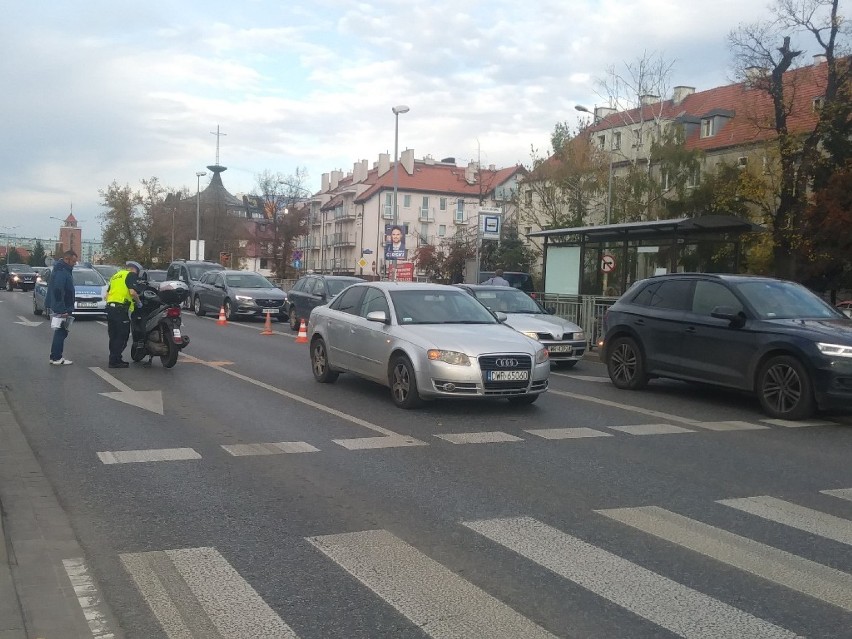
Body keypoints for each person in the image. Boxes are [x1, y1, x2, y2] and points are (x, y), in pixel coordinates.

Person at [105, 261, 142, 368]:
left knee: (113, 336)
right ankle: (115, 361)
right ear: (135, 270)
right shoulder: (130, 275)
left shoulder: (115, 276)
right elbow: (132, 292)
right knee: (122, 336)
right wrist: (138, 302)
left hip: (110, 309)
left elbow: (107, 295)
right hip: (120, 310)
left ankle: (114, 358)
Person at [47, 250, 78, 365]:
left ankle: (54, 356)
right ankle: (56, 358)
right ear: (66, 259)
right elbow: (58, 291)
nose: (75, 263)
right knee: (61, 332)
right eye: (73, 261)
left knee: (61, 331)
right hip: (63, 307)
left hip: (64, 306)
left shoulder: (63, 269)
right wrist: (62, 309)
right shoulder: (62, 271)